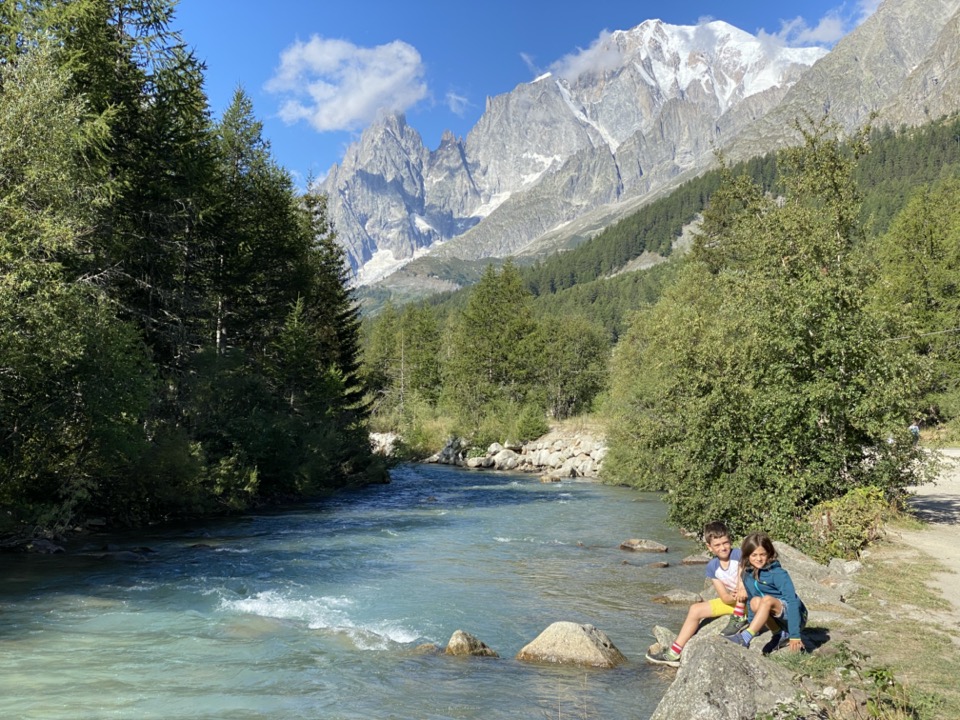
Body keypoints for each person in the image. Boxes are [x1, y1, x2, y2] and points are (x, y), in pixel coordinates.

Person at [645, 521, 748, 667]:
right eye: (717, 545)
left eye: (725, 543)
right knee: (695, 609)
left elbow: (747, 574)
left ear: (730, 540)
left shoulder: (739, 554)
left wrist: (742, 589)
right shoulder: (712, 567)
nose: (723, 548)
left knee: (743, 581)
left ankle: (740, 617)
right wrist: (735, 596)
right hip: (732, 601)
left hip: (751, 601)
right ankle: (674, 653)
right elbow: (724, 597)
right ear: (709, 547)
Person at [725, 531, 807, 653]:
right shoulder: (747, 574)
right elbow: (751, 601)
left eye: (762, 554)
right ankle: (779, 634)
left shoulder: (778, 573)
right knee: (754, 601)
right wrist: (754, 626)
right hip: (774, 617)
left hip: (794, 616)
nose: (759, 559)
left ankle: (745, 637)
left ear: (769, 553)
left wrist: (795, 635)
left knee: (766, 600)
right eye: (754, 555)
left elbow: (793, 601)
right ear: (747, 556)